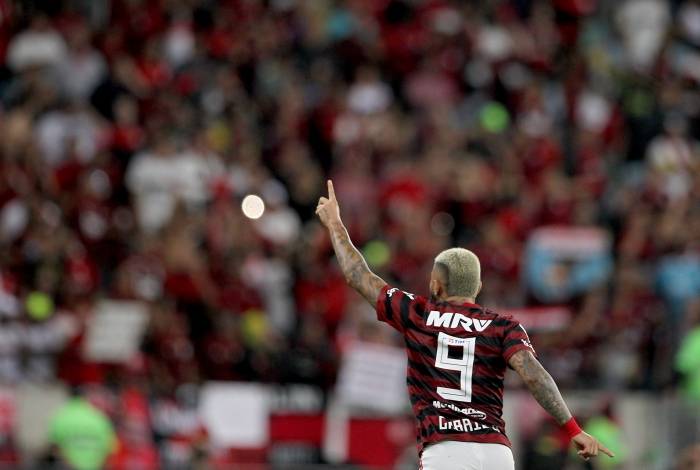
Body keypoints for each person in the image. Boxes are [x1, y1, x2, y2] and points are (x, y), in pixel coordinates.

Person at [316, 180, 614, 470]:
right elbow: (535, 376)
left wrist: (335, 225)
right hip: (496, 452)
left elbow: (358, 275)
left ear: (435, 283)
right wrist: (574, 428)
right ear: (478, 286)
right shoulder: (503, 326)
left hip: (445, 450)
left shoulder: (417, 314)